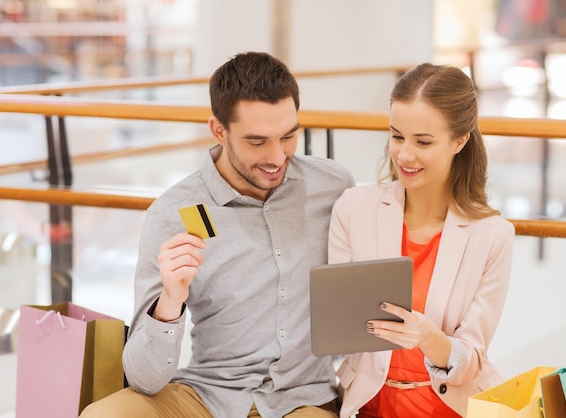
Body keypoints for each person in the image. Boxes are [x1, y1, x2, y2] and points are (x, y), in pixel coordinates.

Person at [80, 51, 355, 418]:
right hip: (210, 394)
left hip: (302, 398)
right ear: (218, 130)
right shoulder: (174, 213)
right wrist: (170, 301)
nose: (277, 157)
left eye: (288, 136)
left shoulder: (333, 186)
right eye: (257, 142)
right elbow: (144, 379)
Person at [328, 63, 515, 417]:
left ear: (460, 140)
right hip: (369, 404)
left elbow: (471, 360)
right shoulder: (354, 208)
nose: (405, 155)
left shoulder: (492, 236)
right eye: (397, 136)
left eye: (423, 142)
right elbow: (339, 323)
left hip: (449, 407)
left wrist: (429, 338)